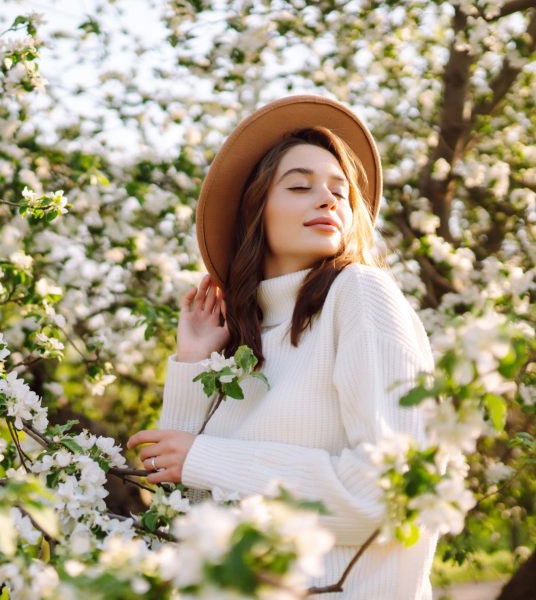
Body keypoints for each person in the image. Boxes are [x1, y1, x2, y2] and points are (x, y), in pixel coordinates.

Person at [127, 95, 438, 599]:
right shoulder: (244, 346)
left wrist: (210, 458)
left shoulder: (359, 294)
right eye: (299, 185)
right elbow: (183, 512)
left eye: (341, 191)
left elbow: (390, 491)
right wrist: (192, 363)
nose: (328, 198)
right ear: (257, 212)